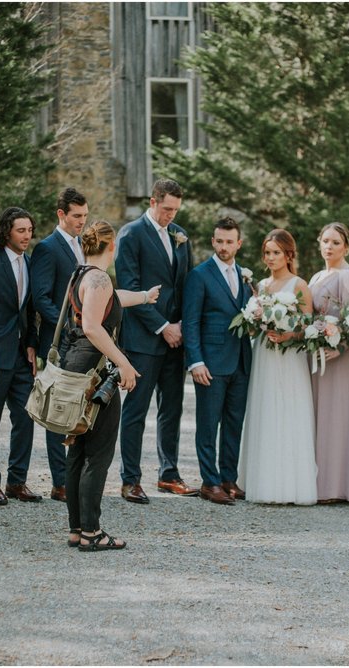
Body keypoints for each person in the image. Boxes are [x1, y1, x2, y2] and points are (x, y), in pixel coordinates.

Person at [61, 220, 159, 550]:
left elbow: (113, 299)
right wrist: (125, 363)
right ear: (112, 246)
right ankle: (92, 531)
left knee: (77, 451)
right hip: (95, 373)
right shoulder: (100, 278)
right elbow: (92, 326)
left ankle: (77, 528)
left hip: (74, 367)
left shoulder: (81, 275)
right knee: (97, 453)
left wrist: (145, 296)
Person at [115, 178, 197, 503]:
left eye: (175, 210)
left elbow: (184, 283)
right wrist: (163, 326)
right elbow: (129, 287)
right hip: (143, 339)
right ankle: (130, 479)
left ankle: (168, 474)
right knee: (136, 410)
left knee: (172, 409)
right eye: (166, 209)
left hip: (175, 338)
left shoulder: (180, 236)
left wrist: (180, 326)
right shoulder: (131, 234)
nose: (170, 216)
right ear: (152, 201)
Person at [237, 229, 317, 505]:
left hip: (288, 356)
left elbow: (309, 325)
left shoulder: (299, 284)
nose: (271, 258)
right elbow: (254, 321)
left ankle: (290, 485)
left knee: (288, 411)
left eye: (276, 253)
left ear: (288, 254)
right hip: (264, 353)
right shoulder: (260, 285)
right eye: (267, 253)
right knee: (265, 410)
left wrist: (288, 334)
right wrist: (253, 322)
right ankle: (263, 481)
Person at [181, 217, 253, 505]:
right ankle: (209, 482)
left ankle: (228, 479)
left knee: (234, 424)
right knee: (209, 425)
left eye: (229, 241)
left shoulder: (247, 278)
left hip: (240, 362)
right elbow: (191, 321)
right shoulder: (200, 275)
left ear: (238, 243)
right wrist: (195, 361)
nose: (224, 246)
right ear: (213, 241)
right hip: (210, 363)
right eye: (219, 241)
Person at [0, 208, 41, 505]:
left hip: (20, 357)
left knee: (25, 418)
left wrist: (31, 344)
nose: (27, 236)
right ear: (6, 232)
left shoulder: (30, 263)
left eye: (29, 230)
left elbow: (29, 310)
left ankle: (17, 481)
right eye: (21, 230)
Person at [28, 187, 88, 503]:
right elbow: (41, 299)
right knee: (59, 409)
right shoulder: (47, 249)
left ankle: (75, 476)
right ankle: (60, 482)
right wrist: (71, 324)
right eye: (76, 216)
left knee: (80, 409)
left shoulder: (83, 247)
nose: (82, 221)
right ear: (61, 214)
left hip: (84, 342)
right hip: (60, 342)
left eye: (85, 216)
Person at [307, 223, 349, 503]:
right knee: (319, 418)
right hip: (317, 356)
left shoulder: (348, 276)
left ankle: (339, 486)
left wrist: (341, 346)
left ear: (346, 248)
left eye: (336, 243)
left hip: (338, 359)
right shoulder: (318, 276)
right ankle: (318, 481)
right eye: (325, 241)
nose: (329, 247)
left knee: (337, 418)